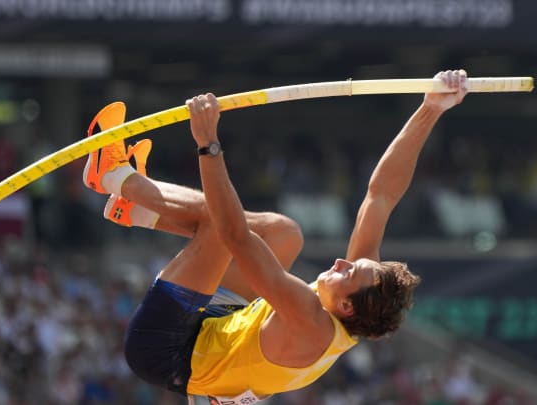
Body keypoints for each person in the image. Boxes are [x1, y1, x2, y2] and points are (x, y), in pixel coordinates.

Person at [82, 69, 469, 403]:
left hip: (166, 350)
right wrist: (430, 109)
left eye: (347, 273)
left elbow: (234, 234)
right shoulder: (355, 302)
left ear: (348, 307)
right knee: (284, 233)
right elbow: (380, 196)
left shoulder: (310, 320)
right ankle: (138, 207)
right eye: (353, 264)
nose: (341, 262)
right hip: (221, 326)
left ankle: (116, 178)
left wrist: (208, 143)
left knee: (222, 227)